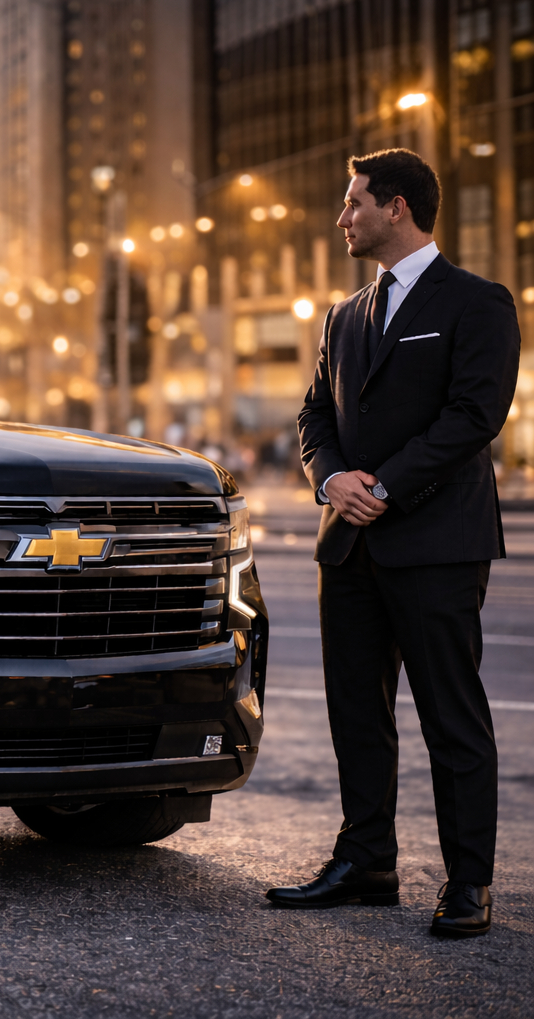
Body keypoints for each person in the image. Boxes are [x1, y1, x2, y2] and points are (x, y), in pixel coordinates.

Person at [277, 148, 521, 937]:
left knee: (452, 714)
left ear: (399, 208)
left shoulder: (478, 303)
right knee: (355, 708)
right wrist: (331, 480)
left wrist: (379, 486)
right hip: (347, 543)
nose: (343, 218)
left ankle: (469, 883)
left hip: (436, 541)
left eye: (354, 204)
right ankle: (366, 862)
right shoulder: (344, 314)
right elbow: (315, 416)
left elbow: (473, 418)